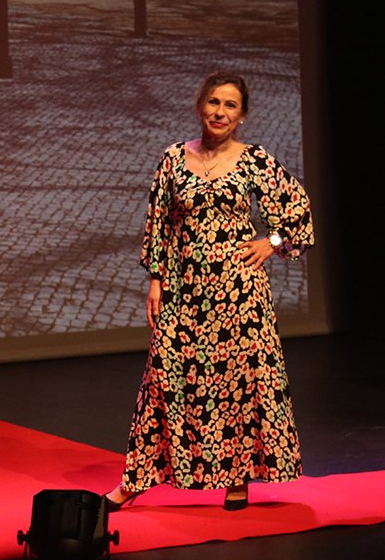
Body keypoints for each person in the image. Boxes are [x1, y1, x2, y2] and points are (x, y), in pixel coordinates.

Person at [106, 71, 314, 511]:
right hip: (184, 290)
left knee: (239, 382)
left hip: (239, 291)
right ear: (201, 106)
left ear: (242, 116)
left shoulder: (254, 160)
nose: (220, 112)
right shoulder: (173, 159)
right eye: (214, 102)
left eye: (230, 105)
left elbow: (298, 209)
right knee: (164, 380)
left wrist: (272, 241)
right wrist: (156, 281)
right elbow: (160, 224)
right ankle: (135, 479)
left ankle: (237, 477)